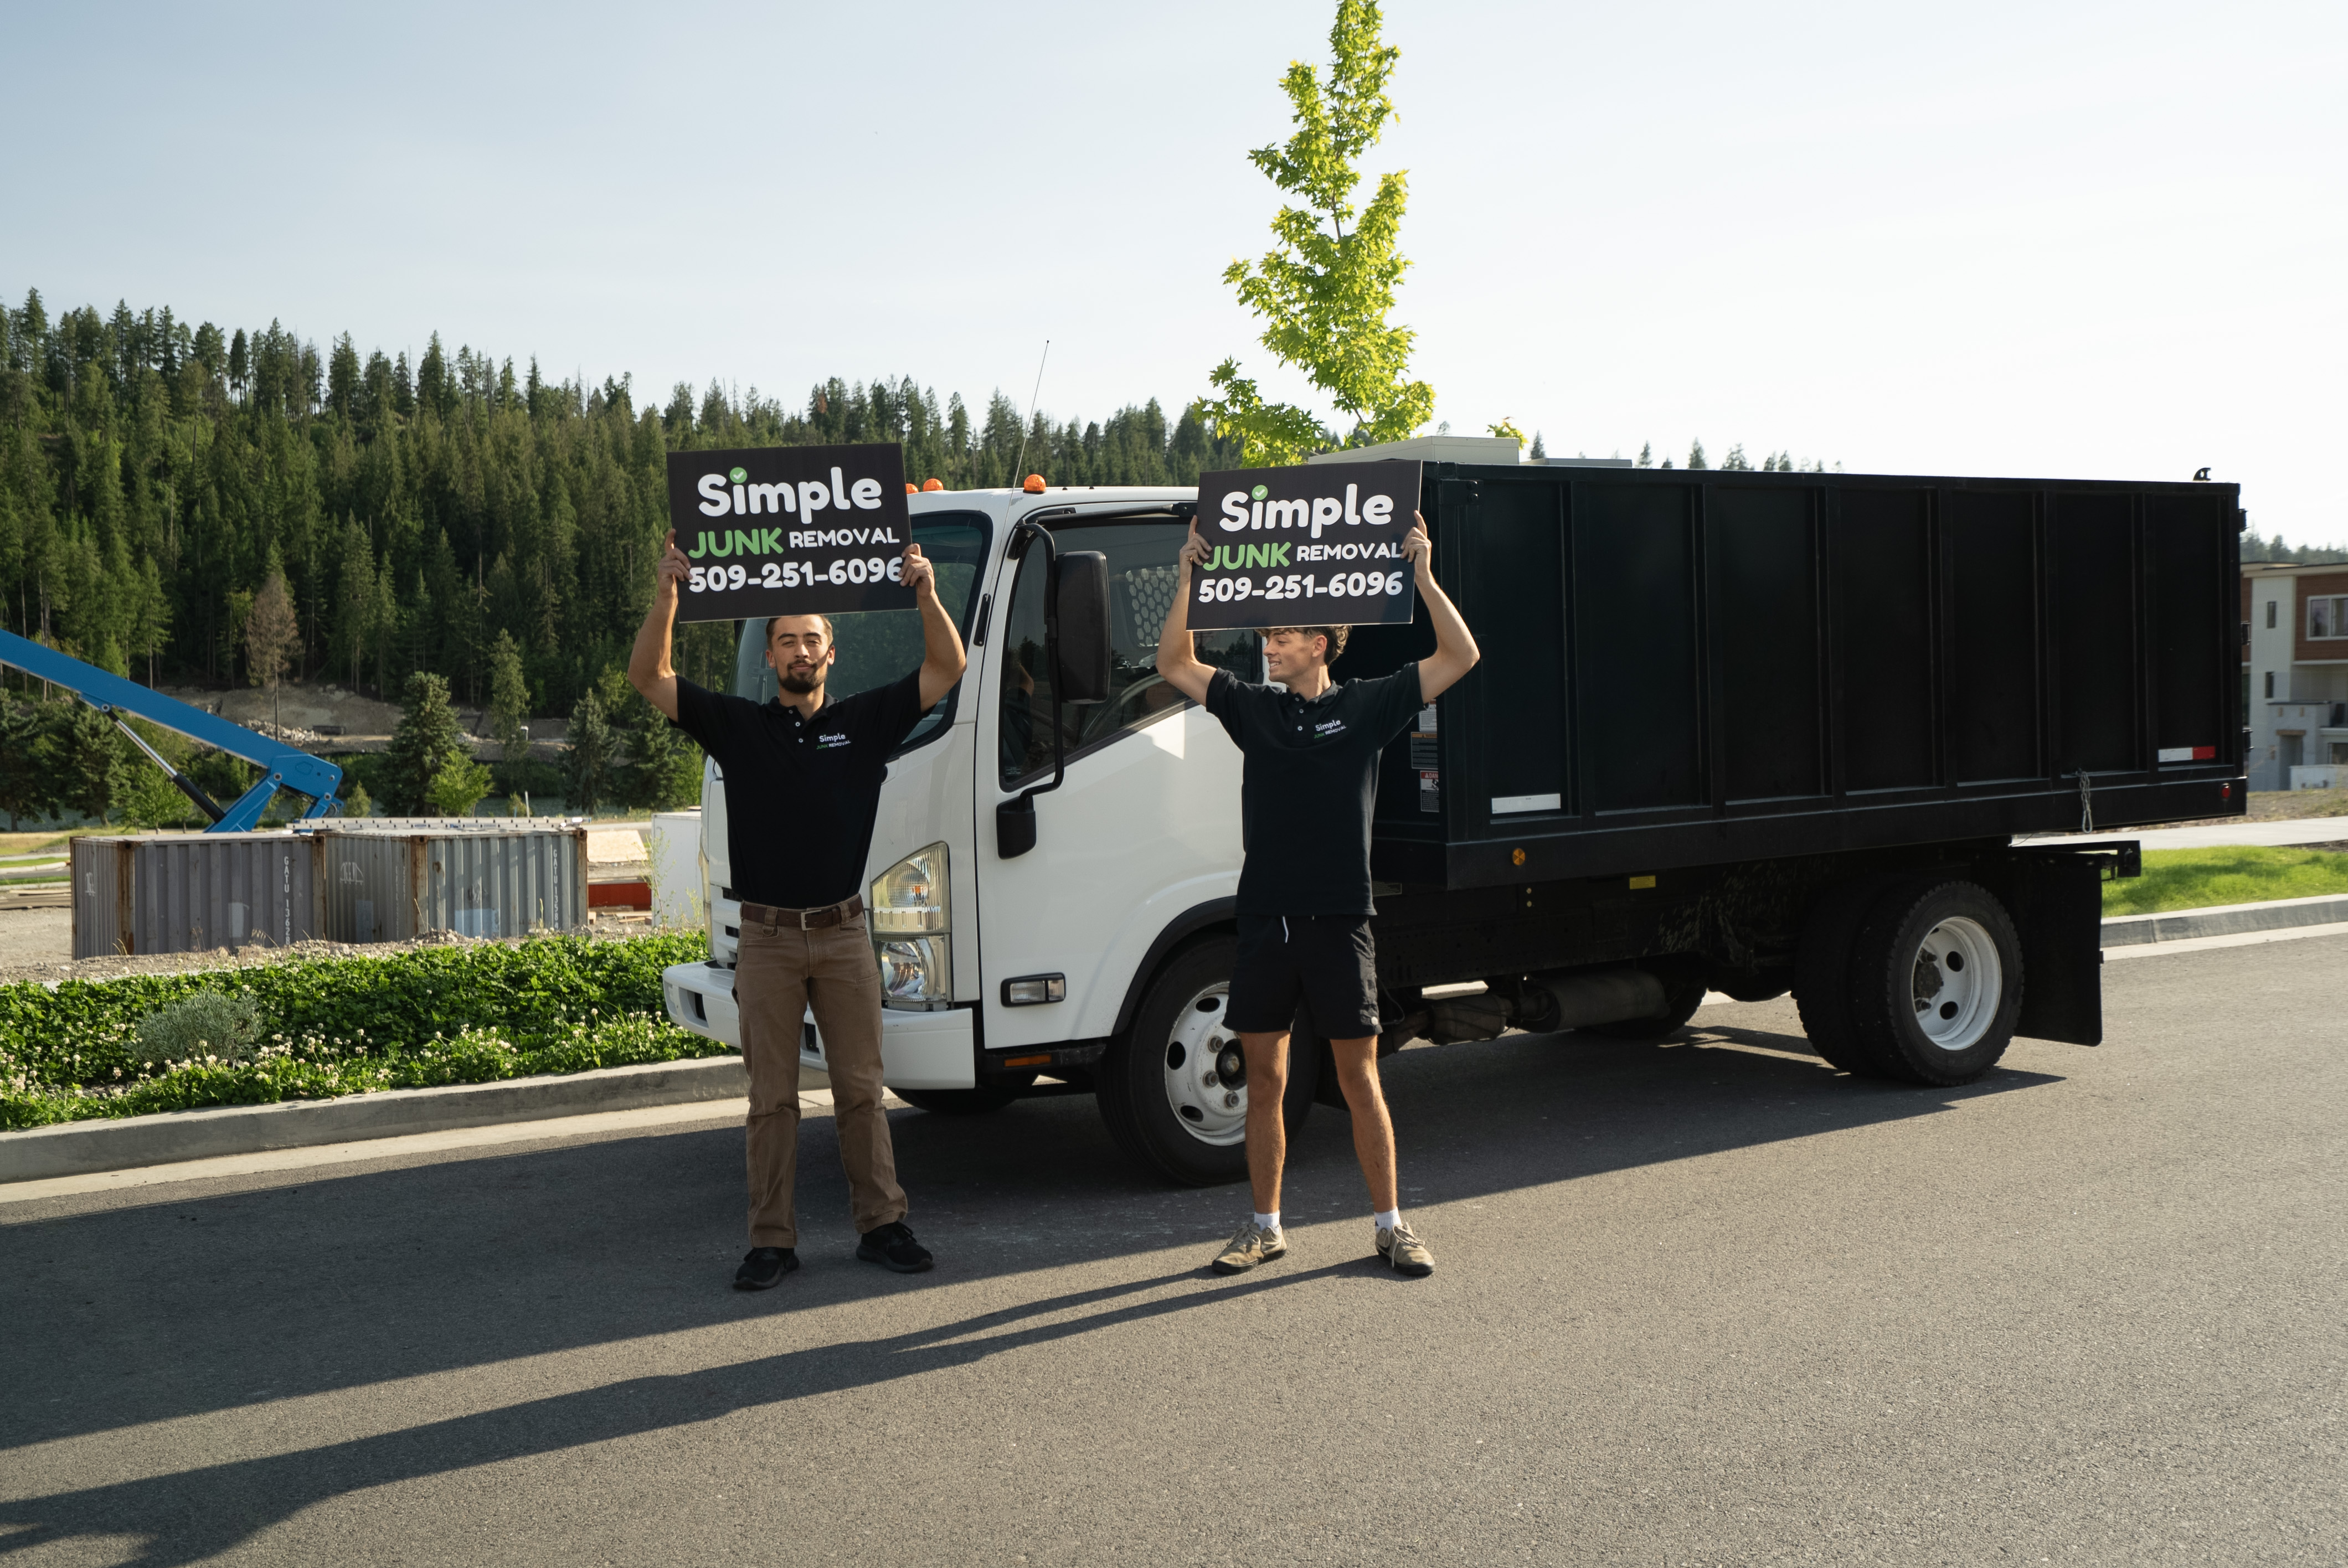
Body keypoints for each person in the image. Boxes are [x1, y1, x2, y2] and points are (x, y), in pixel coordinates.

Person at [629, 530, 966, 1290]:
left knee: (860, 1090)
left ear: (831, 652)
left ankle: (883, 1225)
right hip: (769, 939)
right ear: (771, 658)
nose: (799, 652)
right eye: (786, 642)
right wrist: (668, 595)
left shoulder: (867, 722)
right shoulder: (738, 727)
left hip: (845, 933)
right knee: (771, 1099)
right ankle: (772, 1241)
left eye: (811, 639)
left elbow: (948, 667)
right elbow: (649, 676)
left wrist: (925, 591)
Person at [1153, 512, 1480, 1278]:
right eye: (1267, 637)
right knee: (1263, 1078)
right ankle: (1264, 1225)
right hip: (1267, 920)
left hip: (1340, 921)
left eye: (1283, 636)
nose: (1269, 646)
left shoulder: (1366, 705)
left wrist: (1423, 576)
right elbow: (1174, 660)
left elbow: (1461, 654)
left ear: (1321, 645)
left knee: (1359, 1077)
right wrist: (1188, 577)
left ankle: (1392, 1226)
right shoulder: (1255, 708)